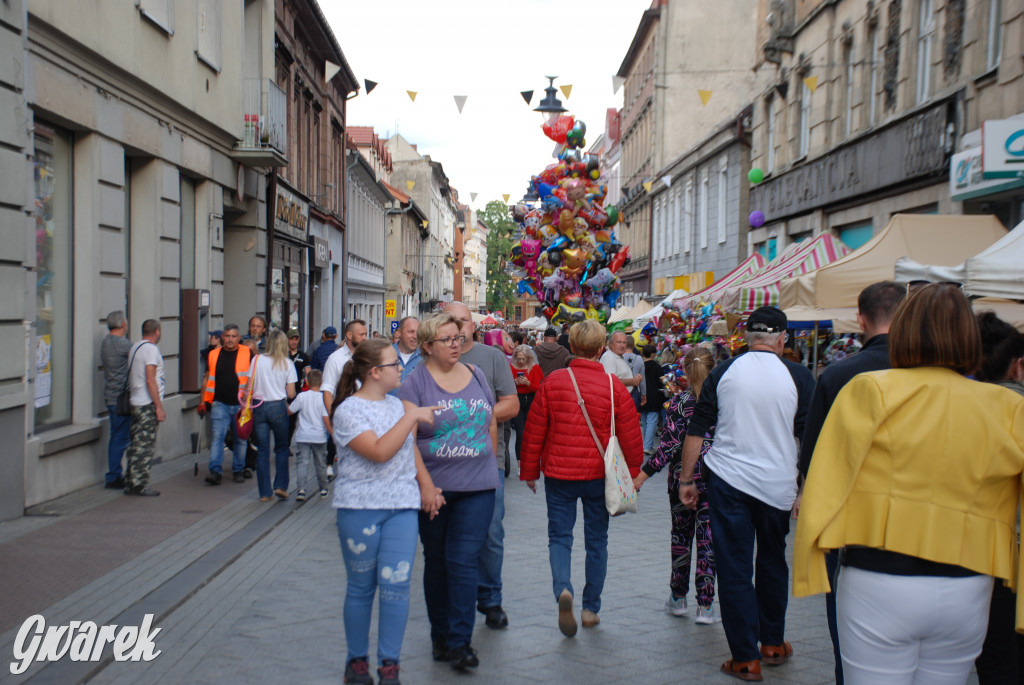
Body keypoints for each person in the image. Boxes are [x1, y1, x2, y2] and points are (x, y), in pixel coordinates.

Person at [793, 284, 1024, 685]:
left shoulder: (871, 390)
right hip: (971, 582)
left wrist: (811, 564)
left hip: (880, 576)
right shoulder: (1009, 407)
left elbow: (825, 482)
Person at [680, 306, 814, 682]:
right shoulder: (800, 376)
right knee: (773, 560)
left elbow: (698, 426)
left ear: (747, 337)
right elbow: (809, 435)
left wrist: (686, 480)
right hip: (778, 485)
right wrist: (807, 489)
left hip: (729, 482)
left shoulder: (724, 371)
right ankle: (772, 643)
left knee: (734, 567)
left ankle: (745, 658)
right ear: (783, 338)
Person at [795, 280, 904, 685]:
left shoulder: (839, 374)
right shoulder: (933, 376)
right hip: (920, 528)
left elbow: (813, 453)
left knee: (846, 621)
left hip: (848, 519)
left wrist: (808, 496)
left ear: (860, 319)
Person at [520, 319, 644, 637]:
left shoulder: (554, 382)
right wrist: (632, 476)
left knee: (560, 538)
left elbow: (535, 429)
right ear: (601, 349)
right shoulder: (615, 387)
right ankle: (590, 609)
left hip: (560, 473)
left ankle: (564, 589)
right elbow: (631, 437)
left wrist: (530, 470)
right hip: (597, 475)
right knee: (597, 541)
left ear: (571, 347)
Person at [331, 338, 443, 685]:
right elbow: (378, 451)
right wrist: (411, 416)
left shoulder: (396, 407)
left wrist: (426, 485)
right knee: (362, 587)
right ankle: (357, 662)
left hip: (401, 508)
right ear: (375, 372)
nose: (401, 368)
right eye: (395, 364)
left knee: (396, 585)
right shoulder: (348, 410)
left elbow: (409, 451)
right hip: (359, 508)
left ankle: (390, 664)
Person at [396, 312, 499, 670]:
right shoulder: (415, 383)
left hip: (478, 487)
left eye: (458, 337)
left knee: (463, 560)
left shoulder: (476, 375)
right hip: (435, 487)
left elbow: (490, 420)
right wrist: (425, 484)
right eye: (447, 340)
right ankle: (440, 634)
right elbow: (407, 441)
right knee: (438, 561)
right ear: (427, 346)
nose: (456, 345)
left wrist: (493, 466)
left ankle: (460, 642)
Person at [444, 302, 518, 631]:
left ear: (473, 326)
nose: (459, 328)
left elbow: (511, 403)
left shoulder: (492, 358)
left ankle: (490, 599)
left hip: (487, 461)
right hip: (443, 464)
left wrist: (478, 416)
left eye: (464, 321)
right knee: (447, 536)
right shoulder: (434, 359)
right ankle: (453, 598)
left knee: (491, 534)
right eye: (452, 321)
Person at [634, 347, 721, 624]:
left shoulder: (680, 403)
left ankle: (678, 597)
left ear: (684, 370)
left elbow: (668, 447)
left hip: (681, 481)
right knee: (708, 541)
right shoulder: (724, 402)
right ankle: (705, 605)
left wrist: (642, 476)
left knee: (681, 539)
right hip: (714, 480)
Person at [973, 312, 1024, 685]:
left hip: (978, 557)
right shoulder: (1016, 409)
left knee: (995, 658)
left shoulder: (961, 409)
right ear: (1019, 366)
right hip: (1013, 552)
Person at [246, 329, 298, 501]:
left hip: (259, 406)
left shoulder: (257, 359)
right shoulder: (287, 364)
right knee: (282, 447)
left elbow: (248, 388)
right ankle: (281, 485)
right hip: (278, 407)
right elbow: (291, 393)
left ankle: (264, 492)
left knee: (262, 449)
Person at [199, 324, 253, 484]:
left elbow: (252, 377)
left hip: (240, 404)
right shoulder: (214, 354)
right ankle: (215, 471)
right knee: (218, 437)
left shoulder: (246, 353)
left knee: (240, 439)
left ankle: (238, 469)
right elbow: (207, 377)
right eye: (227, 336)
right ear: (223, 337)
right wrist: (202, 401)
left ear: (239, 338)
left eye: (233, 336)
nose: (230, 339)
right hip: (219, 403)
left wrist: (250, 400)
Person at [125, 319, 165, 496]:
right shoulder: (150, 350)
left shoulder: (136, 347)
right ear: (157, 332)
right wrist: (158, 406)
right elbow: (151, 379)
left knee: (136, 443)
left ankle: (131, 481)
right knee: (144, 445)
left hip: (136, 400)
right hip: (146, 402)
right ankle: (139, 484)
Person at [100, 310, 132, 489]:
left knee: (115, 437)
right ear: (122, 325)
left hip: (110, 395)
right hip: (122, 398)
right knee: (121, 438)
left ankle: (114, 473)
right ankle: (114, 476)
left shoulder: (105, 343)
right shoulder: (123, 344)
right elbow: (138, 355)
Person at [288, 369, 330, 502]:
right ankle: (323, 488)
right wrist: (333, 432)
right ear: (322, 383)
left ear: (307, 381)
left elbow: (290, 411)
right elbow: (325, 418)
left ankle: (301, 489)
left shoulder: (301, 396)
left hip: (303, 436)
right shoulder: (323, 398)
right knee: (320, 463)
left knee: (302, 463)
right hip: (319, 436)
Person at [323, 320, 369, 412]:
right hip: (345, 414)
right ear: (349, 335)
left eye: (366, 334)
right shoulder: (335, 359)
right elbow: (327, 391)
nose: (365, 338)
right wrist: (333, 418)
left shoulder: (369, 357)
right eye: (361, 334)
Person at [510, 345, 543, 469]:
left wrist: (527, 382)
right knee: (520, 432)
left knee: (530, 433)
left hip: (530, 399)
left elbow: (538, 387)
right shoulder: (511, 368)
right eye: (518, 358)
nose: (521, 361)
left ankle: (530, 460)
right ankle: (520, 463)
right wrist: (514, 382)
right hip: (517, 399)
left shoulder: (534, 368)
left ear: (528, 358)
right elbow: (507, 386)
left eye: (523, 359)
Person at [639, 345, 665, 455]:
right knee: (652, 422)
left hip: (642, 395)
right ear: (653, 354)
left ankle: (646, 444)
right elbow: (661, 383)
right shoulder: (657, 367)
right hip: (654, 397)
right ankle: (647, 446)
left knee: (645, 422)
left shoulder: (640, 366)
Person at [392, 316, 422, 389]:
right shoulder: (385, 354)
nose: (415, 336)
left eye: (418, 332)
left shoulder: (426, 358)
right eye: (411, 332)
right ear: (399, 333)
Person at [623, 336, 647, 412]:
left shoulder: (619, 357)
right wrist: (644, 394)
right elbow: (642, 379)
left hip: (622, 390)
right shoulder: (639, 358)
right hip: (635, 391)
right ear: (633, 345)